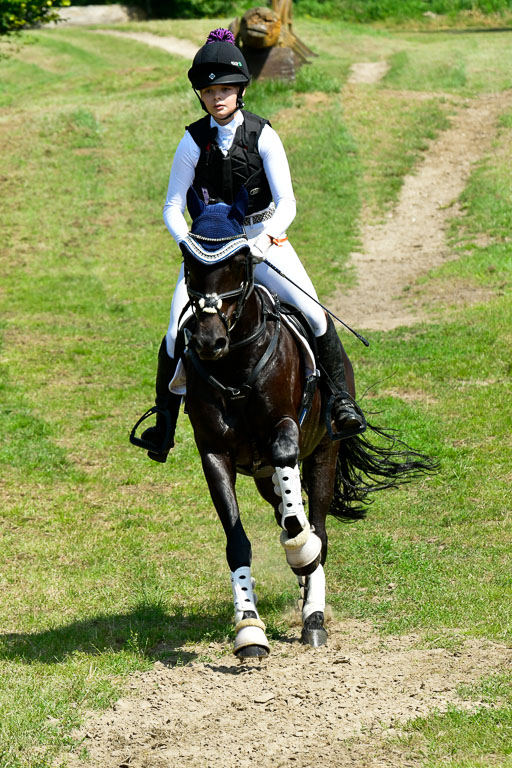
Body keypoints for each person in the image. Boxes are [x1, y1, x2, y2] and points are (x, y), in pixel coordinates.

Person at [134, 28, 365, 463]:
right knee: (171, 332)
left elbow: (287, 201)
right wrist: (187, 243)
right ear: (200, 95)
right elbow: (170, 205)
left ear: (239, 90)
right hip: (208, 252)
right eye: (208, 91)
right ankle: (164, 421)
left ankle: (340, 404)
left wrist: (266, 241)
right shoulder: (191, 141)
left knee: (314, 313)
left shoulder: (263, 136)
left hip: (262, 239)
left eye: (224, 89)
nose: (217, 98)